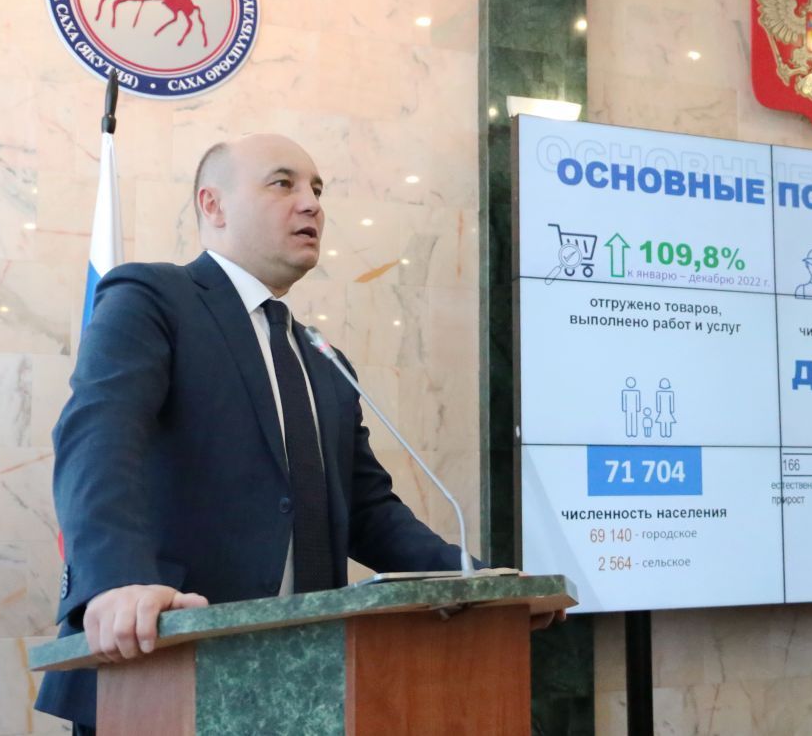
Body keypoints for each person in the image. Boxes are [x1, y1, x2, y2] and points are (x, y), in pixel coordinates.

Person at [34, 134, 533, 733]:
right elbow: (100, 436)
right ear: (213, 204)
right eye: (283, 183)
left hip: (308, 684)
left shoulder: (324, 359)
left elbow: (370, 512)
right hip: (163, 668)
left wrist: (482, 582)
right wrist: (117, 583)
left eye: (317, 189)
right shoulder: (153, 299)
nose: (311, 203)